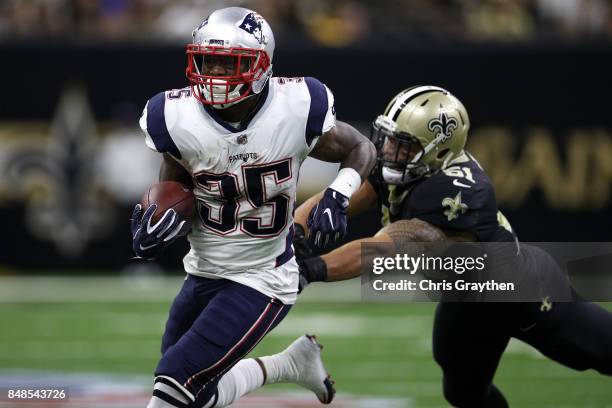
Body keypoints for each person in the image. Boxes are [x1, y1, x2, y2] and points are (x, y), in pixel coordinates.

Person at [294, 85, 612, 407]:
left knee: (603, 352)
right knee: (464, 394)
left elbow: (384, 248)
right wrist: (294, 231)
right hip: (464, 300)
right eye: (390, 140)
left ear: (439, 151)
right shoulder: (406, 165)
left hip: (523, 296)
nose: (390, 151)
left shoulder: (458, 190)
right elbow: (341, 199)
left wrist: (311, 269)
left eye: (404, 146)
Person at [130, 7, 376, 408]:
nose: (214, 76)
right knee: (193, 396)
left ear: (261, 66)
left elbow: (360, 147)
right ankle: (290, 364)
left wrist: (339, 195)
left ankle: (289, 364)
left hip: (264, 277)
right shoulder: (174, 116)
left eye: (228, 65)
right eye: (207, 61)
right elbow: (174, 189)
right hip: (203, 271)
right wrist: (159, 224)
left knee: (172, 385)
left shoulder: (296, 105)